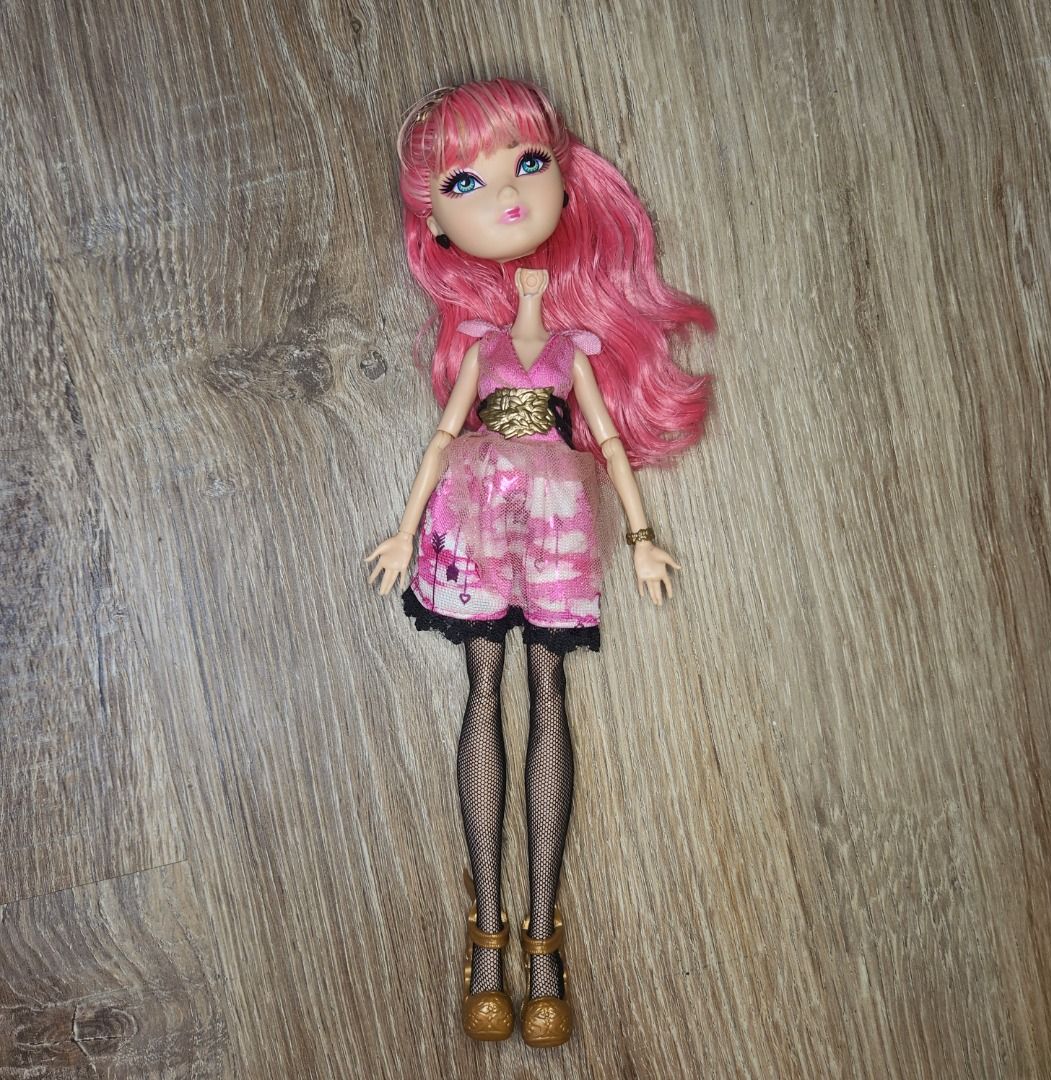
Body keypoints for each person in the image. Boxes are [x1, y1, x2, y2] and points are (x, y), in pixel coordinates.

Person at [365, 77, 716, 1046]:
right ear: (435, 229)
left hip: (559, 520)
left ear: (566, 178)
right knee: (485, 689)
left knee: (547, 693)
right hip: (479, 511)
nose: (507, 194)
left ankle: (545, 941)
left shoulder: (575, 346)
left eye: (528, 163)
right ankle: (487, 939)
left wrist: (642, 539)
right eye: (465, 183)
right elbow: (443, 438)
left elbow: (607, 442)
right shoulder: (477, 345)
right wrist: (404, 532)